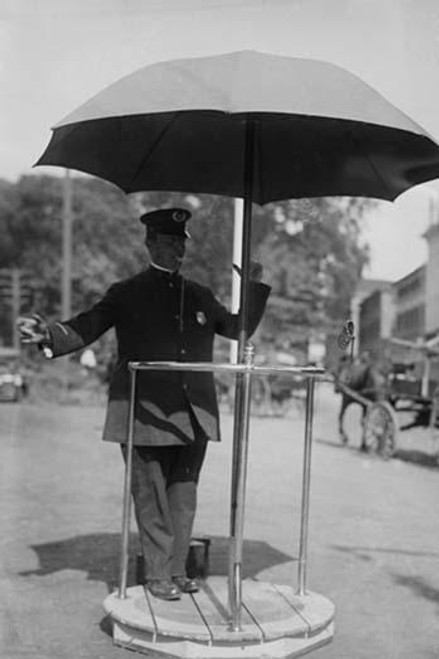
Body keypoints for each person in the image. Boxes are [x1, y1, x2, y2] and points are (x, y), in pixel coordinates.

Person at [17, 207, 270, 601]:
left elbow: (239, 329)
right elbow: (87, 325)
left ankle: (176, 568)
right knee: (151, 497)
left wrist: (253, 286)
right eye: (168, 242)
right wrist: (49, 334)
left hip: (194, 415)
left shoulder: (200, 294)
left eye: (181, 243)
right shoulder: (126, 293)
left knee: (183, 498)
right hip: (144, 412)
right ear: (150, 243)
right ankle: (157, 575)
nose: (177, 250)